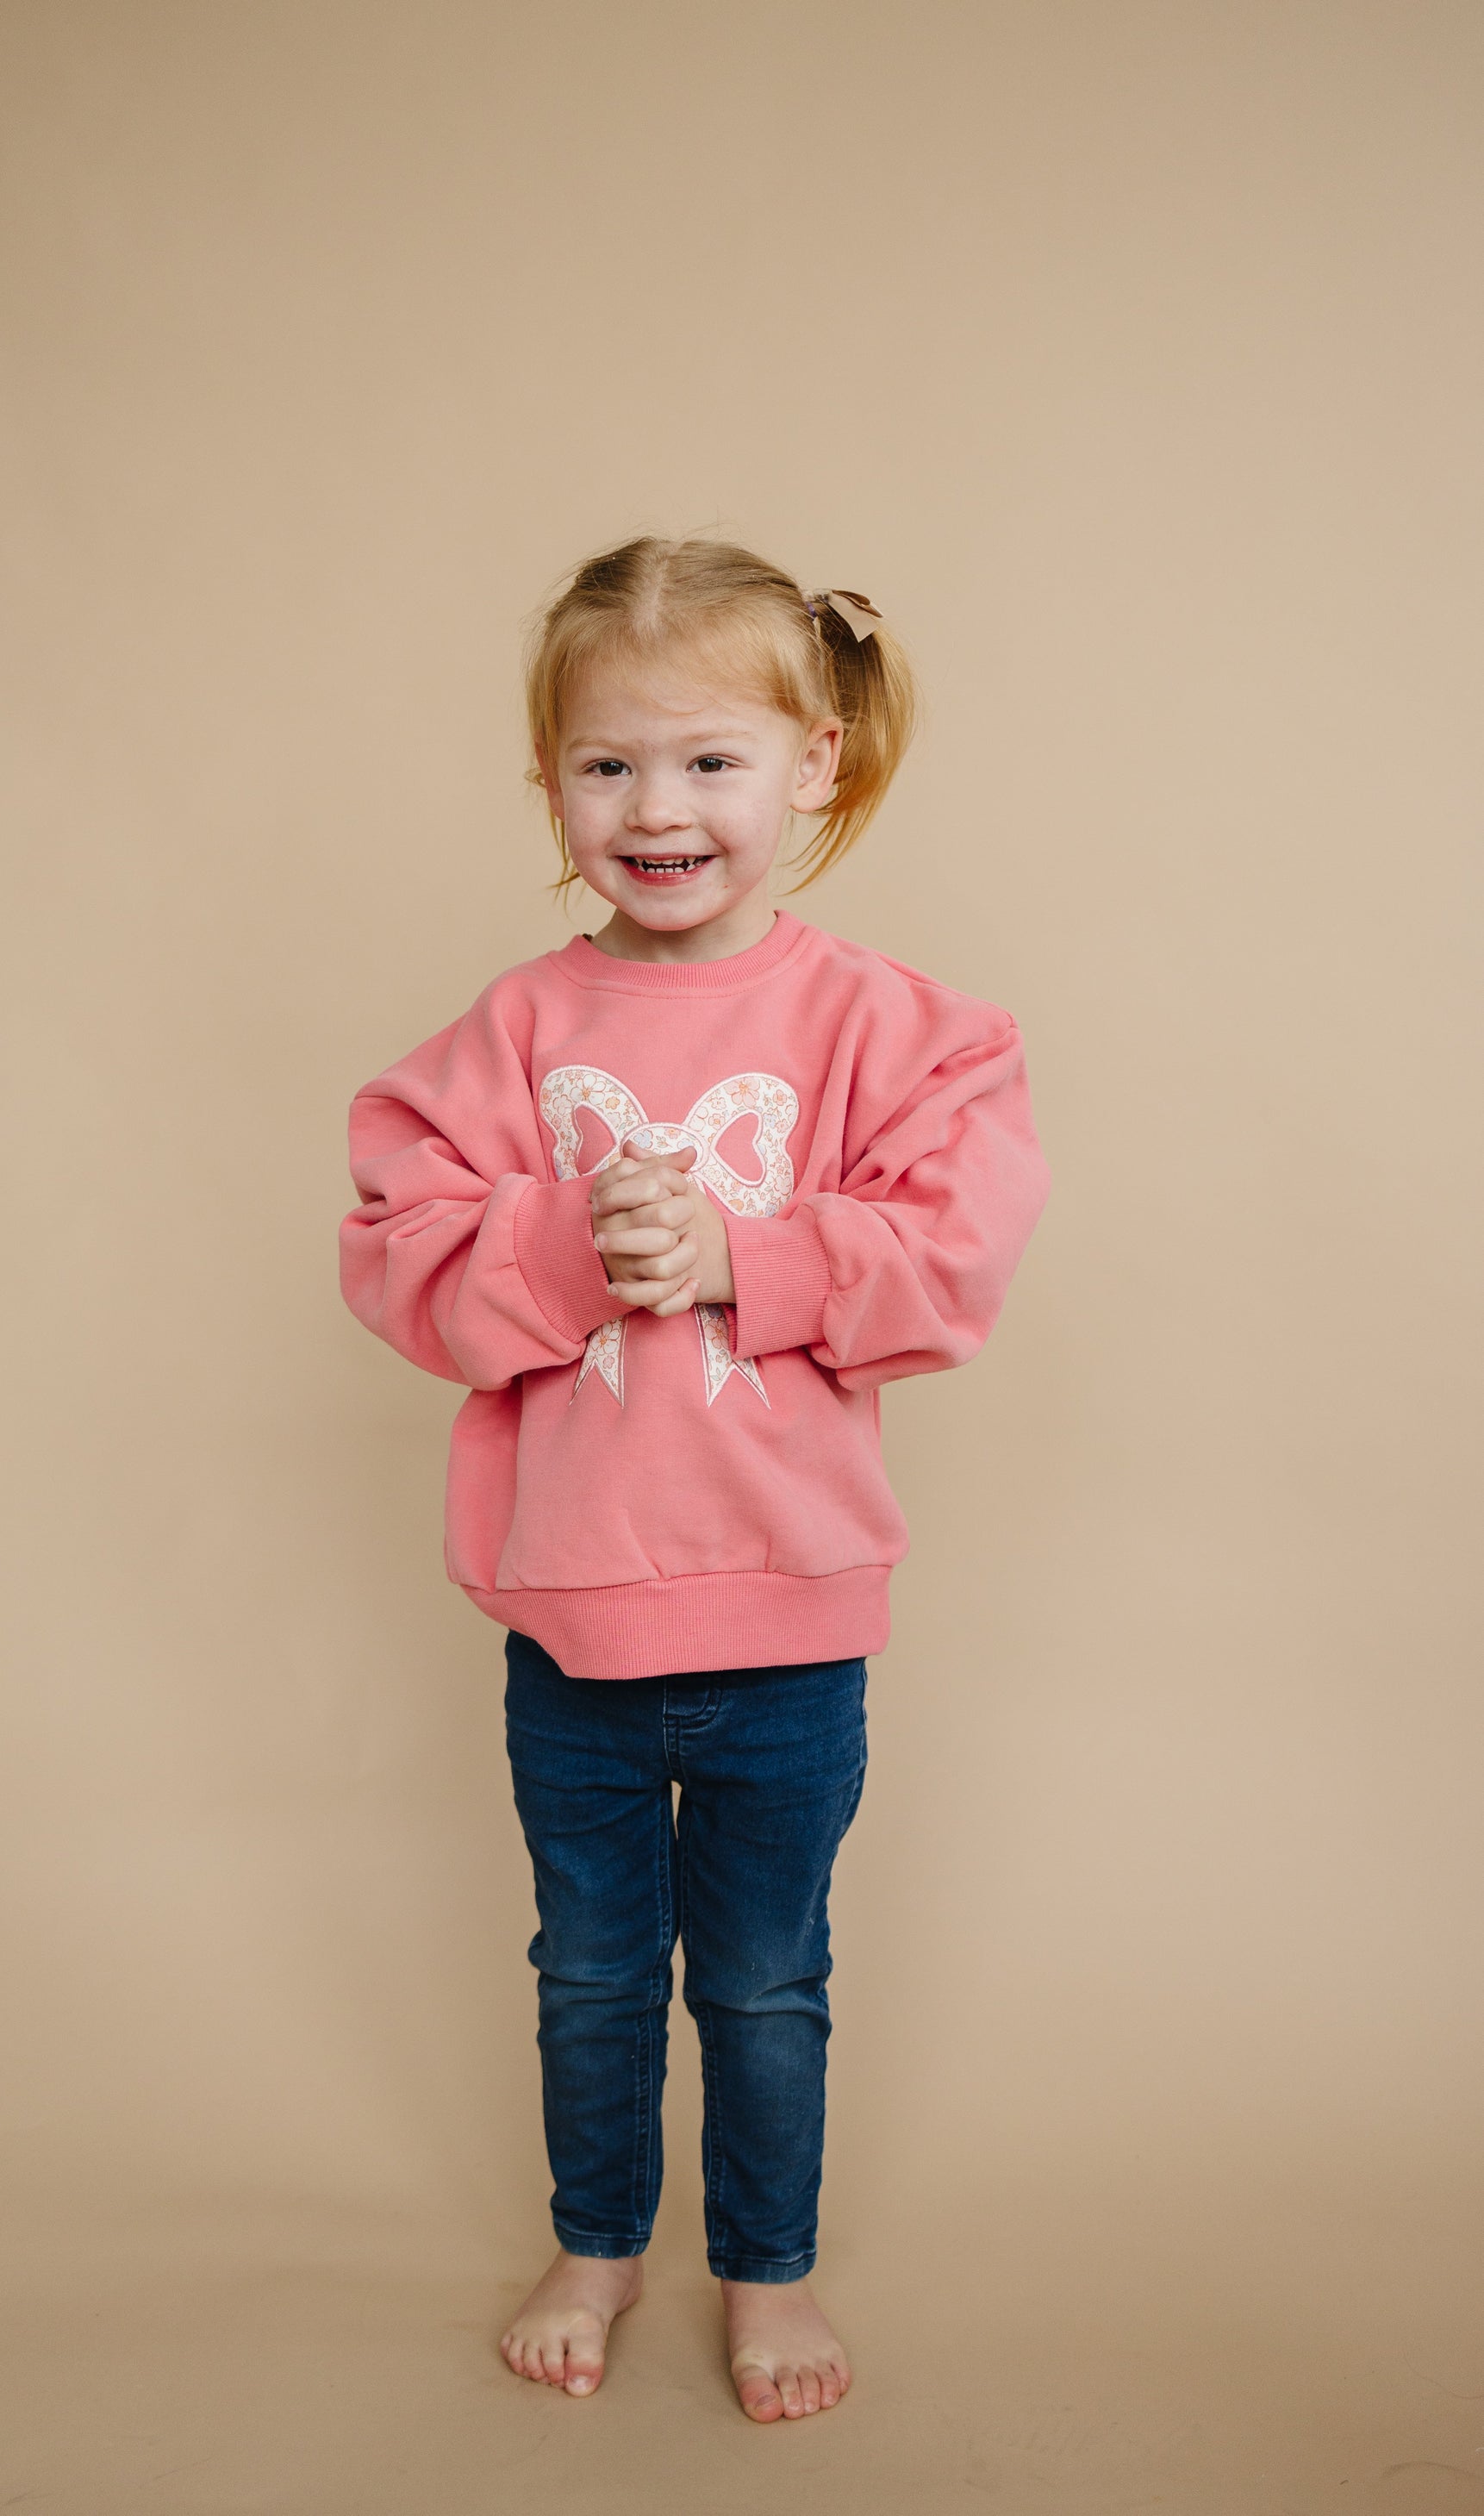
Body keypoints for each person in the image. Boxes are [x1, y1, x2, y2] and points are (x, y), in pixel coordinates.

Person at [338, 535, 1051, 2422]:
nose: (656, 809)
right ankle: (597, 2239)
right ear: (549, 779)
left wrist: (747, 1253)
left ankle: (767, 2268)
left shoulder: (887, 1029)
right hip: (571, 1626)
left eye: (709, 760)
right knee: (587, 1972)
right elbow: (395, 1247)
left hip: (788, 1626)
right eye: (608, 765)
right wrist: (565, 1245)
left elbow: (956, 1252)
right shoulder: (514, 1032)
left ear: (814, 762)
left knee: (758, 1978)